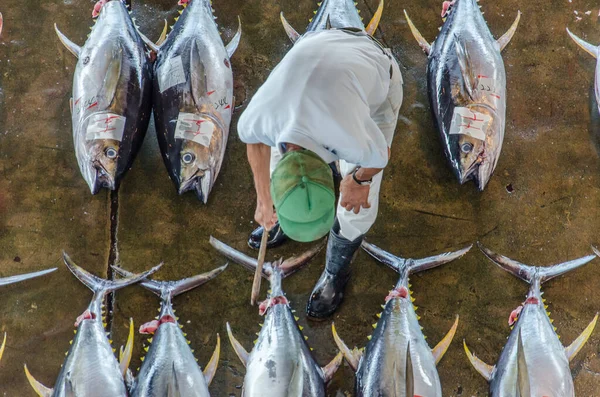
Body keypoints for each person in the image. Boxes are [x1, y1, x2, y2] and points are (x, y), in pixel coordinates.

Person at [237, 27, 403, 319]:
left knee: (358, 206)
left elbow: (381, 156)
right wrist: (264, 198)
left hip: (373, 67)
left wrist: (358, 180)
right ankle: (285, 213)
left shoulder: (352, 141)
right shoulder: (260, 120)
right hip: (315, 43)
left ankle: (336, 271)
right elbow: (255, 145)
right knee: (277, 173)